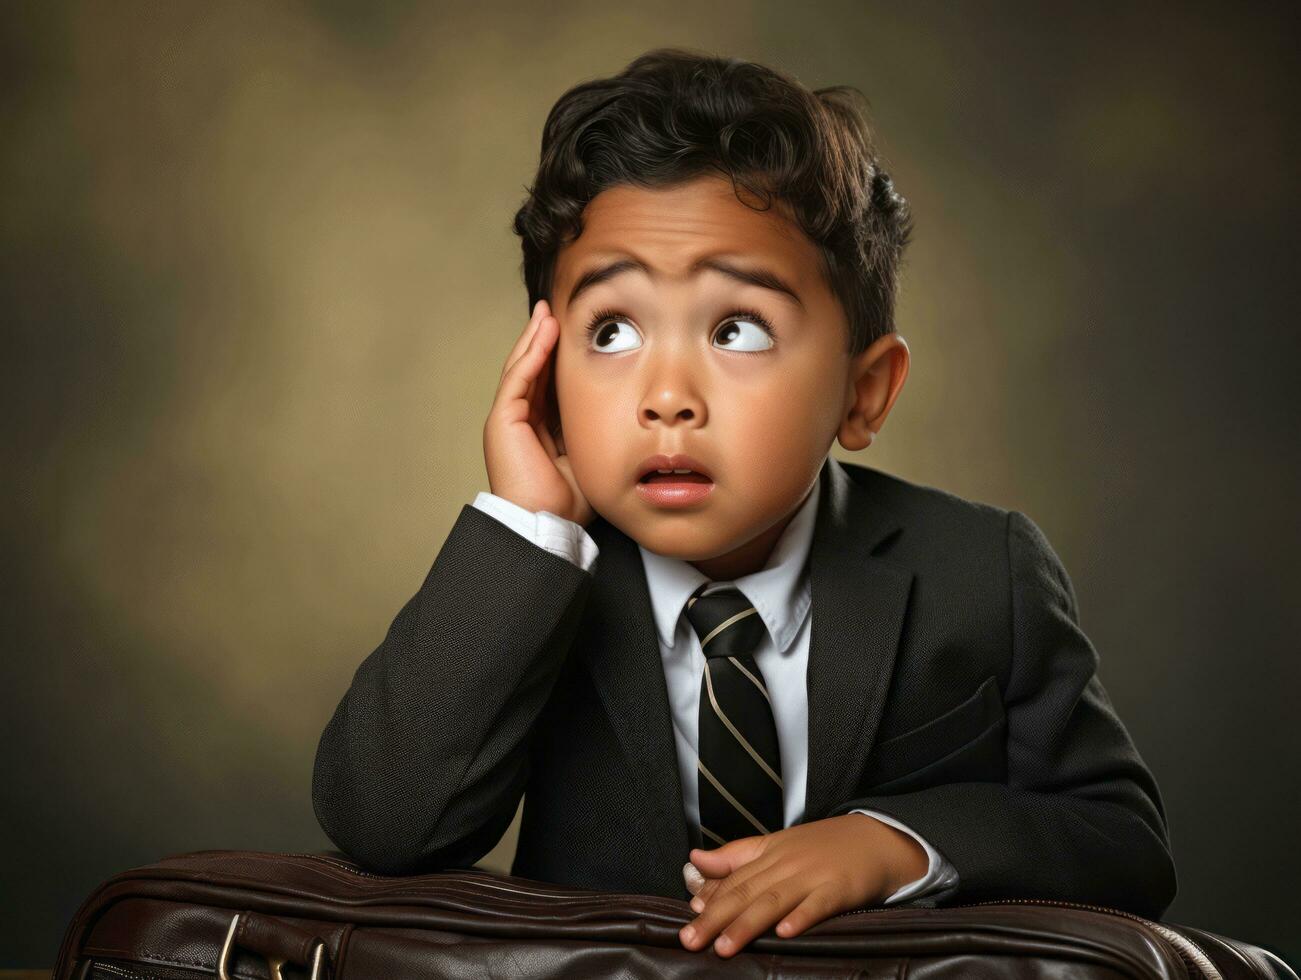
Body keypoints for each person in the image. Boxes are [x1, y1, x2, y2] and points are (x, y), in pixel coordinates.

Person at [312, 48, 1176, 960]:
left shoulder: (976, 567)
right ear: (547, 370)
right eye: (611, 330)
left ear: (864, 391)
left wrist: (894, 844)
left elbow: (1124, 844)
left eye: (738, 329)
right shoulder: (535, 581)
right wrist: (531, 524)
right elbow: (383, 823)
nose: (667, 394)